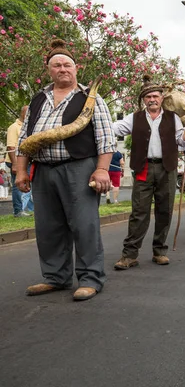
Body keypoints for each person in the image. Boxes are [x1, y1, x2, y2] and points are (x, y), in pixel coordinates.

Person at [15, 39, 115, 300]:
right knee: (48, 227)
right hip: (44, 170)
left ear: (76, 68)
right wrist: (21, 172)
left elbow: (106, 139)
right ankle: (56, 277)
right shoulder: (38, 99)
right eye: (56, 65)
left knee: (84, 225)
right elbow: (24, 140)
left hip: (79, 169)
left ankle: (90, 278)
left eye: (67, 64)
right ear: (49, 70)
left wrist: (102, 169)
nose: (62, 69)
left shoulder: (89, 98)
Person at [112, 74, 185, 269]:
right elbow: (113, 129)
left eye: (155, 96)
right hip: (144, 168)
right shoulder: (134, 118)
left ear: (161, 98)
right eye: (148, 97)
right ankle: (129, 254)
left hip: (167, 168)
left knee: (164, 210)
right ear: (143, 100)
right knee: (139, 212)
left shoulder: (173, 118)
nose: (152, 100)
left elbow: (182, 142)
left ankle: (160, 251)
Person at [5, 106, 29, 216]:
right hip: (14, 160)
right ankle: (18, 211)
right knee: (17, 185)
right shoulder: (13, 127)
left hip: (26, 160)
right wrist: (15, 165)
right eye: (28, 113)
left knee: (28, 185)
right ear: (23, 114)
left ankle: (27, 209)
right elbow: (10, 147)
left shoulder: (27, 126)